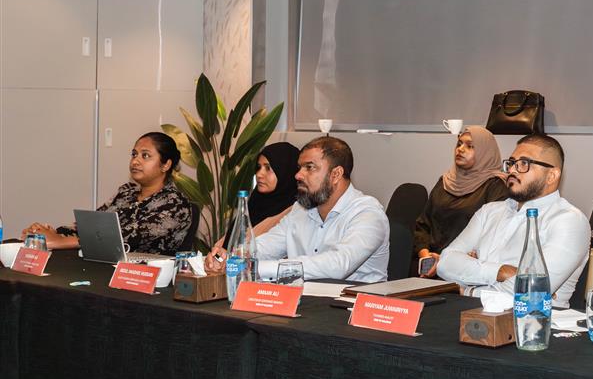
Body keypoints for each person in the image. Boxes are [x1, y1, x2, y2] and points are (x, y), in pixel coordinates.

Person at [205, 136, 390, 282]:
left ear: (336, 174)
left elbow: (338, 265)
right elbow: (265, 246)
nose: (298, 175)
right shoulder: (301, 210)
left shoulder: (367, 213)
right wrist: (230, 258)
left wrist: (253, 267)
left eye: (309, 167)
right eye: (299, 167)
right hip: (305, 306)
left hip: (352, 311)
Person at [437, 134, 590, 306]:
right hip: (470, 314)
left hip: (536, 319)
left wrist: (469, 290)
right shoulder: (489, 211)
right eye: (511, 163)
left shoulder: (569, 221)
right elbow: (445, 263)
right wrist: (500, 271)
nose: (512, 170)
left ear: (551, 175)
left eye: (524, 163)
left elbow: (531, 290)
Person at [22, 132, 193, 255]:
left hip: (143, 279)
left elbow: (126, 238)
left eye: (145, 156)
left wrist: (60, 241)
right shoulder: (126, 192)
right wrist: (49, 233)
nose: (135, 161)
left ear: (166, 165)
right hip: (105, 269)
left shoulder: (176, 204)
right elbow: (92, 225)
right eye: (134, 154)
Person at [415, 126, 508, 277]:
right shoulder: (445, 181)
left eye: (470, 146)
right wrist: (426, 256)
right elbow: (423, 225)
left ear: (485, 152)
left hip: (466, 272)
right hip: (430, 267)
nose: (460, 149)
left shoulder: (496, 187)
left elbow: (493, 236)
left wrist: (448, 262)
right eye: (459, 144)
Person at [219, 142, 300, 246]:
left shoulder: (295, 212)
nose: (259, 174)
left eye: (268, 168)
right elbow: (228, 242)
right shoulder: (256, 200)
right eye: (259, 167)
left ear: (285, 171)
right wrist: (218, 252)